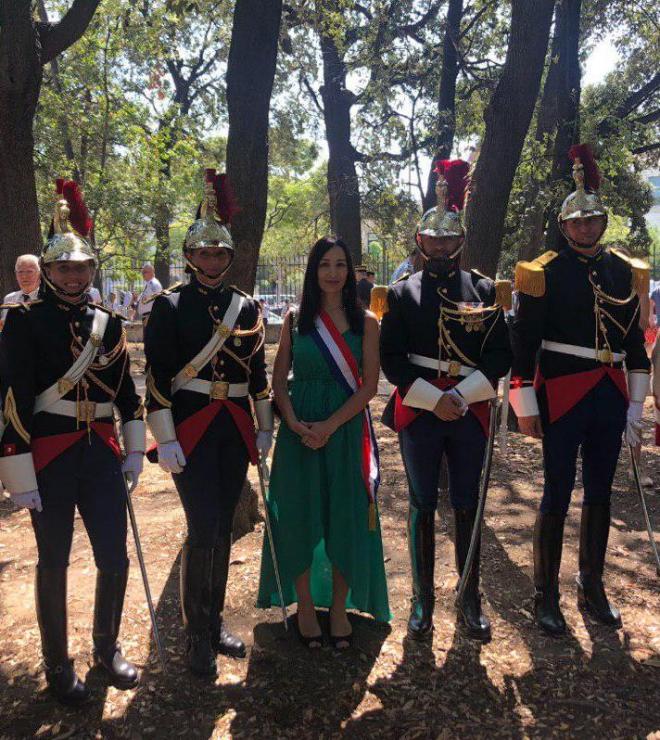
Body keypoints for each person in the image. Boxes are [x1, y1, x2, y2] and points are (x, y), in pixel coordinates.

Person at [0, 178, 145, 704]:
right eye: (64, 267)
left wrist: (135, 451)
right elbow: (11, 399)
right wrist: (18, 475)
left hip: (101, 454)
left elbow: (129, 394)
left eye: (82, 266)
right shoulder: (22, 321)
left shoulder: (109, 323)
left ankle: (106, 648)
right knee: (53, 561)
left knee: (114, 554)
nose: (74, 274)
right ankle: (56, 664)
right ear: (48, 268)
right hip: (50, 457)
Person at [510, 144, 650, 635]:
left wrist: (636, 406)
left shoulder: (621, 270)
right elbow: (524, 347)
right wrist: (524, 406)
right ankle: (544, 594)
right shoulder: (543, 272)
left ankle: (591, 585)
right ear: (564, 227)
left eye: (594, 220)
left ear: (602, 223)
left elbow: (634, 342)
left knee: (600, 491)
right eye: (578, 222)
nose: (586, 228)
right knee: (556, 491)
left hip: (610, 394)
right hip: (564, 393)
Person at [144, 168, 273, 677]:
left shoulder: (248, 307)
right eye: (204, 252)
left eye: (221, 253)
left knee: (221, 530)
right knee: (202, 529)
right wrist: (166, 438)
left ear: (229, 257)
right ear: (190, 257)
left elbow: (258, 376)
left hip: (234, 431)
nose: (213, 260)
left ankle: (215, 620)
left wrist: (264, 428)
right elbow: (156, 379)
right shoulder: (170, 306)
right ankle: (197, 632)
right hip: (192, 430)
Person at [380, 159, 512, 642]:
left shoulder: (482, 290)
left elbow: (500, 354)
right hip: (421, 411)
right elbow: (392, 360)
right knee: (420, 504)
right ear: (420, 242)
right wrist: (432, 399)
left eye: (447, 238)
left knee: (465, 504)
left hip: (468, 410)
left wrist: (459, 395)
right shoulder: (399, 294)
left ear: (459, 242)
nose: (439, 245)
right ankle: (422, 601)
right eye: (432, 239)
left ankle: (469, 598)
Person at [257, 236, 390, 647]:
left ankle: (337, 607)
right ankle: (304, 605)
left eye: (340, 264)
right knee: (298, 513)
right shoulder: (297, 319)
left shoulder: (367, 321)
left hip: (345, 431)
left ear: (349, 271)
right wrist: (295, 424)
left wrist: (329, 425)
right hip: (299, 434)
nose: (332, 273)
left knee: (345, 515)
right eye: (324, 265)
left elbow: (369, 386)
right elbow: (278, 380)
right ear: (312, 272)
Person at [1, 254, 42, 330]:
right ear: (15, 274)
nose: (24, 276)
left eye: (29, 271)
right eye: (20, 272)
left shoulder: (46, 298)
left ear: (40, 273)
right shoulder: (9, 298)